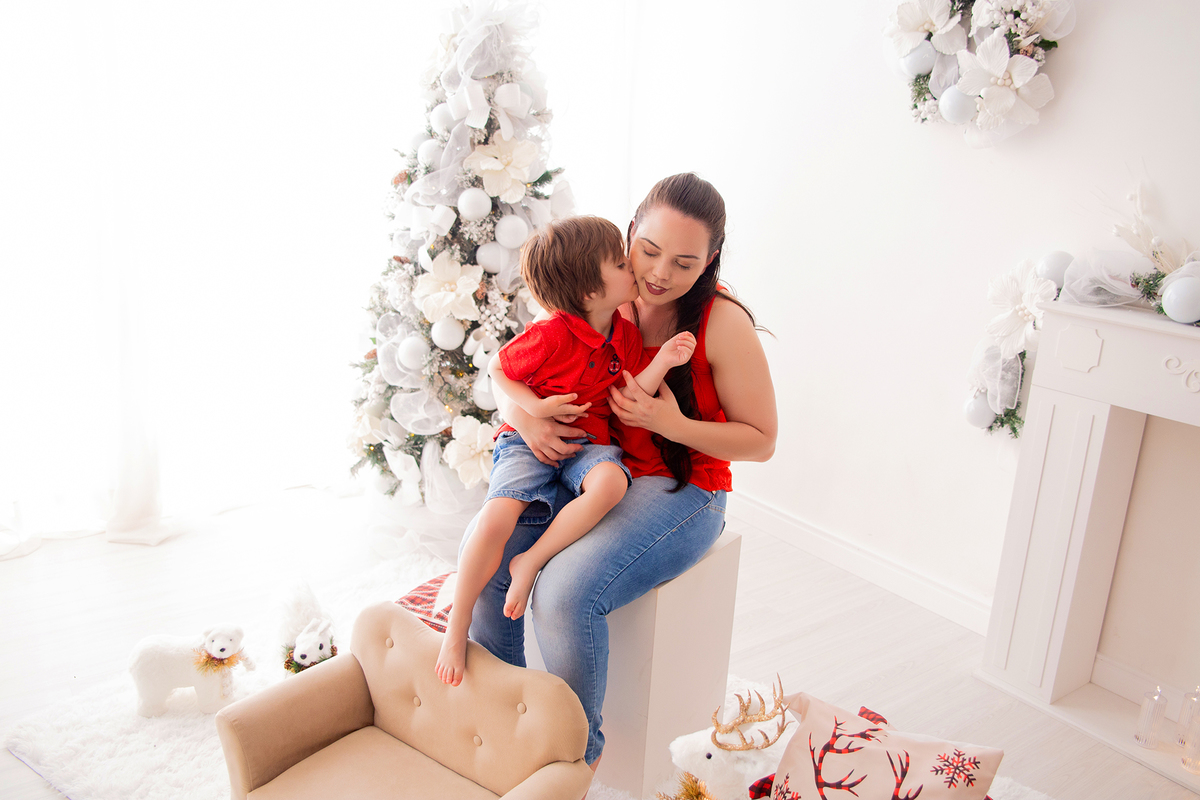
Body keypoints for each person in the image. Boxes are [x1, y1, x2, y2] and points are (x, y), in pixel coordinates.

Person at [461, 172, 778, 772]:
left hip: (684, 487)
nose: (659, 274)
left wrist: (671, 423)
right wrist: (526, 419)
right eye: (649, 251)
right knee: (488, 563)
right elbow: (514, 369)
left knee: (563, 594)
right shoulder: (605, 287)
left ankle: (575, 762)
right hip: (598, 468)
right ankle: (502, 726)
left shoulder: (721, 322)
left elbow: (762, 441)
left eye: (684, 263)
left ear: (711, 259)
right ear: (630, 233)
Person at [435, 215, 697, 687]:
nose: (633, 267)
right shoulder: (552, 333)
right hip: (526, 443)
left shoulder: (623, 333)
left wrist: (664, 360)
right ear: (591, 293)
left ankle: (531, 560)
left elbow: (629, 393)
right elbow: (498, 370)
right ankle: (456, 630)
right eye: (622, 263)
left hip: (587, 444)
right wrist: (534, 410)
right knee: (494, 521)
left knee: (611, 483)